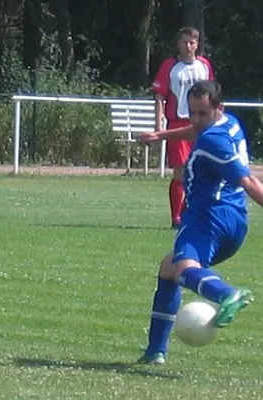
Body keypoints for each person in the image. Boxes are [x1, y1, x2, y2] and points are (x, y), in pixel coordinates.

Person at [137, 80, 263, 365]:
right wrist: (162, 135)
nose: (195, 119)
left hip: (208, 218)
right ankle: (155, 351)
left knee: (183, 268)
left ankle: (226, 294)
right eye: (191, 112)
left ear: (219, 108)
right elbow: (195, 129)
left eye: (201, 113)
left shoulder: (211, 140)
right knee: (168, 268)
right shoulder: (228, 123)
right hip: (234, 218)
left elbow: (248, 180)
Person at [152, 26, 214, 228]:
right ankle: (176, 217)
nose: (188, 46)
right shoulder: (170, 66)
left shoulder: (204, 66)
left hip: (200, 125)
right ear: (178, 44)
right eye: (185, 42)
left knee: (200, 170)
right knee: (180, 172)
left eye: (192, 42)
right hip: (178, 123)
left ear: (197, 44)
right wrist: (158, 120)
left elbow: (211, 95)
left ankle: (191, 212)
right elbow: (160, 95)